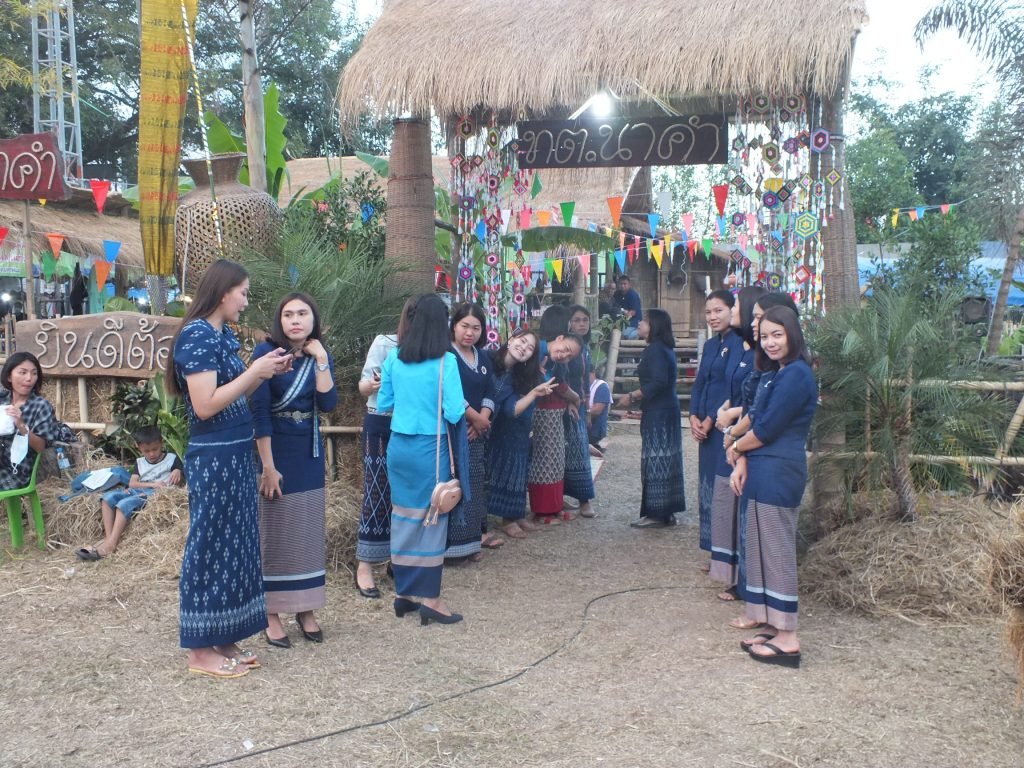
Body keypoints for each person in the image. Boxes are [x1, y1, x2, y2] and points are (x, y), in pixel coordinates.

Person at [170, 259, 293, 679]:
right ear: (223, 292)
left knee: (235, 545)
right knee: (210, 545)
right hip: (214, 456)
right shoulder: (196, 335)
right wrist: (254, 370)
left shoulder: (220, 334)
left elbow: (234, 394)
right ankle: (200, 650)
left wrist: (264, 372)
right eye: (243, 292)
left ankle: (223, 637)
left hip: (236, 453)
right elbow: (205, 405)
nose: (246, 301)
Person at [727, 306, 817, 668]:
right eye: (764, 336)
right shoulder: (778, 372)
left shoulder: (796, 375)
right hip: (763, 469)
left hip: (779, 470)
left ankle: (788, 637)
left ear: (793, 334)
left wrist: (736, 447)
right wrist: (742, 456)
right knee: (761, 549)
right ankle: (771, 624)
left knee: (776, 551)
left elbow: (765, 429)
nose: (770, 342)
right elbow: (757, 419)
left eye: (777, 335)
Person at [251, 292, 337, 648]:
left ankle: (305, 608)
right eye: (288, 314)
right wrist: (267, 467)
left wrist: (322, 359)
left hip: (308, 453)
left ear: (313, 319)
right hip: (275, 451)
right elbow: (258, 412)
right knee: (274, 532)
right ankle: (271, 612)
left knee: (305, 533)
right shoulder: (265, 353)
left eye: (302, 313)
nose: (295, 320)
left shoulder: (319, 354)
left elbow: (328, 404)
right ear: (280, 320)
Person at [377, 293, 467, 625]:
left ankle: (403, 594)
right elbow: (454, 411)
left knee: (403, 516)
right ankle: (431, 599)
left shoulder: (394, 358)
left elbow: (383, 402)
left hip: (399, 446)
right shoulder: (446, 362)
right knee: (432, 518)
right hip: (432, 447)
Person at [354, 298, 416, 599]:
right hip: (381, 421)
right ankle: (365, 565)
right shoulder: (385, 343)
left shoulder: (432, 352)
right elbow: (363, 387)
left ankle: (398, 559)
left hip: (412, 427)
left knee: (405, 496)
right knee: (376, 492)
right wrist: (374, 384)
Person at [708, 286, 765, 597]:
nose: (732, 310)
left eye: (736, 305)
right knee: (729, 505)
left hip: (748, 438)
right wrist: (727, 410)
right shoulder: (740, 347)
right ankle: (736, 576)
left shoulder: (762, 354)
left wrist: (734, 420)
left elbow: (761, 404)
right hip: (733, 434)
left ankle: (747, 583)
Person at [689, 289, 744, 565]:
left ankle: (727, 553)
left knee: (724, 486)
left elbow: (730, 388)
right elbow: (701, 382)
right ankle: (713, 548)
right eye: (708, 312)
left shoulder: (739, 343)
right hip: (705, 427)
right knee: (708, 485)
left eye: (718, 310)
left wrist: (711, 419)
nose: (712, 316)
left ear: (733, 310)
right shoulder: (711, 345)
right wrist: (692, 415)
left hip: (725, 426)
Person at [617, 309, 686, 527]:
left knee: (656, 459)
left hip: (659, 413)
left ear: (654, 326)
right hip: (665, 409)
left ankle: (656, 512)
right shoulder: (663, 348)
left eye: (644, 321)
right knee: (667, 459)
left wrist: (632, 396)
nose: (639, 324)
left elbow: (658, 382)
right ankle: (667, 511)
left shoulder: (655, 350)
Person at [74, 424, 184, 561]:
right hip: (140, 489)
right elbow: (132, 483)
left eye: (155, 449)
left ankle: (111, 544)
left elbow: (179, 474)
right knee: (107, 498)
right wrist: (153, 484)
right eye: (146, 451)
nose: (151, 454)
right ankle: (108, 539)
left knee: (124, 504)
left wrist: (177, 470)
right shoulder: (140, 462)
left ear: (161, 443)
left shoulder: (172, 459)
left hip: (157, 494)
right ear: (139, 447)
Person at [487, 329, 557, 539]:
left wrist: (534, 392)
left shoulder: (520, 374)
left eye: (530, 348)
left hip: (514, 426)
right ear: (511, 340)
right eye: (522, 341)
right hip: (490, 425)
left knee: (519, 468)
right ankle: (507, 518)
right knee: (504, 470)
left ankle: (515, 514)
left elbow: (512, 409)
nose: (524, 348)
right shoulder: (487, 359)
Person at [445, 303, 497, 561]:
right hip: (454, 430)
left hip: (477, 432)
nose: (469, 332)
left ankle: (472, 543)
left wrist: (482, 420)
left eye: (476, 328)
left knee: (475, 483)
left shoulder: (483, 356)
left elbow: (491, 390)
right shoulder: (446, 354)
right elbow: (450, 392)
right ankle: (451, 548)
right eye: (464, 326)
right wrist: (475, 418)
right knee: (454, 482)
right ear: (454, 326)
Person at [528, 306, 584, 524]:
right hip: (544, 412)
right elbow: (558, 384)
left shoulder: (554, 353)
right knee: (545, 462)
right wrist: (575, 398)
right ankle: (544, 508)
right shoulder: (541, 352)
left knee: (555, 461)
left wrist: (572, 400)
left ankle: (553, 505)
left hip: (555, 411)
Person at [0, 352, 60, 492]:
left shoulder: (41, 406)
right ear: (9, 376)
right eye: (23, 372)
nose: (29, 378)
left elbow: (40, 447)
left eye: (34, 373)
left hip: (17, 471)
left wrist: (21, 424)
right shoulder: (2, 399)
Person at [564, 305, 596, 518]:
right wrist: (569, 400)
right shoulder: (566, 347)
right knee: (564, 452)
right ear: (568, 323)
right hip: (565, 403)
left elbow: (585, 381)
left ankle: (584, 499)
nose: (582, 324)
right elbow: (562, 377)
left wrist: (587, 409)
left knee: (580, 450)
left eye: (585, 320)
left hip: (580, 404)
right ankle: (561, 497)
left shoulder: (585, 348)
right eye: (577, 320)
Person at [588, 367, 612, 451]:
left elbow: (597, 410)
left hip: (595, 428)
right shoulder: (583, 386)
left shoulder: (602, 387)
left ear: (593, 373)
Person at [612, 274, 643, 339]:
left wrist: (624, 312)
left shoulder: (633, 295)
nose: (622, 286)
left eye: (625, 284)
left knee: (625, 335)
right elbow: (613, 306)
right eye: (621, 284)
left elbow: (633, 312)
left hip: (633, 323)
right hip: (619, 322)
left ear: (629, 285)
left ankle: (639, 333)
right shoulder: (617, 294)